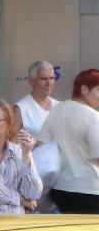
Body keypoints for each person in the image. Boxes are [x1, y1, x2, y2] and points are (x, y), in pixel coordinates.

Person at [38, 68, 99, 214]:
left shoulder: (57, 109)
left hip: (60, 188)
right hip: (90, 188)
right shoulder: (93, 117)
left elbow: (41, 144)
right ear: (84, 89)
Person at [13, 60, 59, 140]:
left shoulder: (58, 106)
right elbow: (11, 142)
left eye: (51, 78)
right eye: (43, 79)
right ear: (31, 81)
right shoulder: (21, 108)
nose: (49, 83)